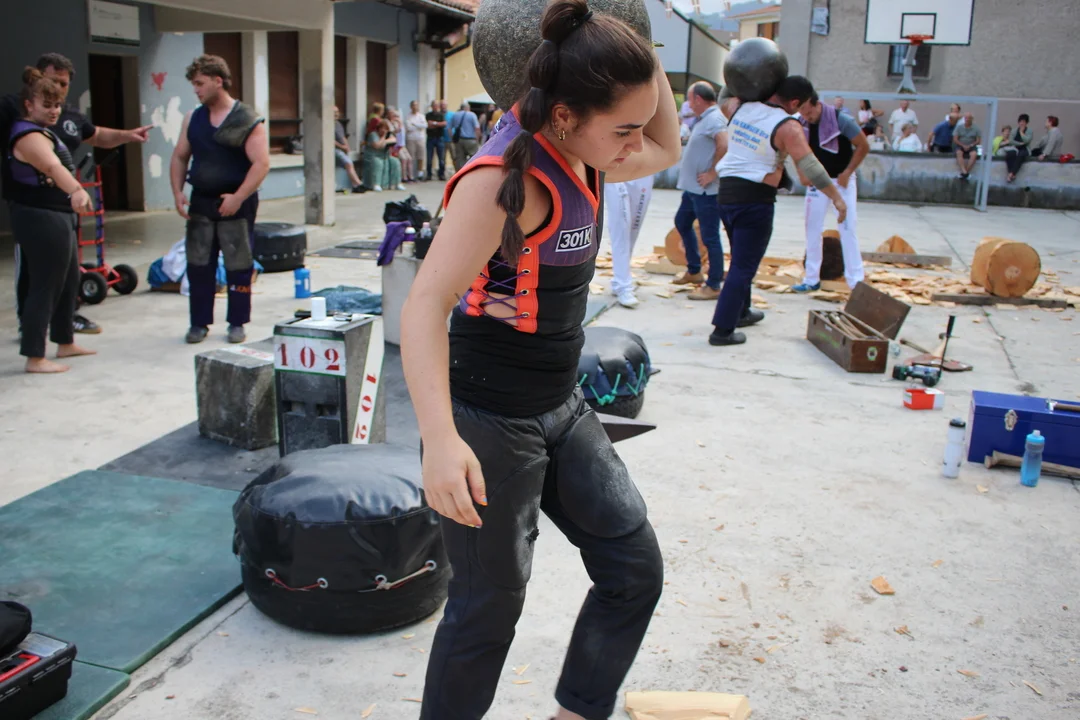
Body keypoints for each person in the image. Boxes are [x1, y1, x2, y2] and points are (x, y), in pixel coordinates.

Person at [399, 1, 681, 717]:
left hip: (561, 404)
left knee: (634, 571)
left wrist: (637, 38)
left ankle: (576, 710)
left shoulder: (593, 151)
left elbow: (668, 145)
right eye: (623, 130)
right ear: (562, 116)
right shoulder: (502, 181)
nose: (636, 147)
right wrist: (440, 441)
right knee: (487, 609)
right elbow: (423, 306)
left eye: (636, 127)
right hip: (487, 419)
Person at [1, 53, 151, 337]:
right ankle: (30, 329)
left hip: (62, 206)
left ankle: (66, 324)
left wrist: (128, 135)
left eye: (64, 85)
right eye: (53, 82)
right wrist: (76, 189)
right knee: (36, 273)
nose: (58, 92)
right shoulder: (15, 111)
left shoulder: (67, 115)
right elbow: (51, 165)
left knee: (66, 271)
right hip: (31, 205)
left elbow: (96, 135)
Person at [708, 75, 847, 347]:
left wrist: (747, 79)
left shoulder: (740, 107)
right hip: (754, 201)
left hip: (726, 195)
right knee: (743, 266)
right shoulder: (787, 126)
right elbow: (811, 167)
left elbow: (725, 92)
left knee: (740, 258)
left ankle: (742, 311)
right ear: (794, 102)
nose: (801, 113)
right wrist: (837, 199)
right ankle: (722, 330)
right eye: (801, 107)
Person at [170, 54, 269, 345]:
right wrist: (177, 192)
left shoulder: (247, 119)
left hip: (236, 202)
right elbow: (180, 156)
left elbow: (261, 163)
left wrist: (238, 197)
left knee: (239, 264)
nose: (196, 90)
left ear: (218, 80)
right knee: (199, 263)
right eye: (194, 84)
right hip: (202, 200)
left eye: (200, 83)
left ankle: (237, 322)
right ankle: (198, 323)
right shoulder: (193, 118)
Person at [8, 68, 97, 373]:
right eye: (47, 105)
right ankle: (34, 356)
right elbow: (51, 167)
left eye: (57, 105)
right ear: (28, 105)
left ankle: (65, 341)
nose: (54, 111)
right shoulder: (28, 135)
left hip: (57, 215)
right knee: (45, 284)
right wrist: (76, 190)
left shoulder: (43, 131)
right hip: (40, 217)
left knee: (68, 280)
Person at [791, 92, 869, 293]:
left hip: (842, 179)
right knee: (812, 227)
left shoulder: (841, 120)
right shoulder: (800, 124)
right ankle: (811, 278)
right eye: (802, 112)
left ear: (816, 103)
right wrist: (802, 174)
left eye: (808, 111)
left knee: (848, 227)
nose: (807, 116)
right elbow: (795, 150)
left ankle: (856, 281)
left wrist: (848, 172)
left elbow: (863, 145)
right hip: (818, 181)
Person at [673, 81, 727, 302]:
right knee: (682, 222)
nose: (688, 104)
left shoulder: (715, 118)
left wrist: (712, 173)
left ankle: (713, 284)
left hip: (706, 191)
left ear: (698, 99)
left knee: (710, 236)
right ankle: (694, 270)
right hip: (693, 189)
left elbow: (724, 144)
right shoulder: (704, 118)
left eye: (689, 99)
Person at [605, 176, 653, 308]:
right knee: (621, 226)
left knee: (633, 230)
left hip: (644, 172)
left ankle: (619, 278)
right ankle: (623, 286)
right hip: (616, 172)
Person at [362, 118, 403, 191]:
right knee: (378, 163)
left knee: (395, 162)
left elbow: (394, 140)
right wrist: (383, 137)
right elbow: (377, 145)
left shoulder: (388, 135)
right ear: (378, 128)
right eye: (382, 128)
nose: (383, 130)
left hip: (384, 156)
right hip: (372, 156)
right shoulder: (373, 135)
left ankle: (396, 183)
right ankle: (376, 184)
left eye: (385, 129)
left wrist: (385, 141)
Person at [332, 105, 364, 192]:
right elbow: (330, 141)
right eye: (334, 112)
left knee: (349, 163)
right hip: (334, 149)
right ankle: (358, 184)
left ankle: (355, 184)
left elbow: (343, 137)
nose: (336, 114)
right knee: (348, 163)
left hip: (342, 149)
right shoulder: (327, 125)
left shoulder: (338, 124)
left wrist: (347, 147)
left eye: (337, 112)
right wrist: (342, 146)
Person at [449, 101, 481, 171]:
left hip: (459, 140)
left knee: (460, 159)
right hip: (470, 140)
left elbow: (449, 128)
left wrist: (452, 138)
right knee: (474, 157)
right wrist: (477, 140)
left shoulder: (455, 115)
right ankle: (472, 172)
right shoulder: (472, 115)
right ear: (467, 108)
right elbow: (477, 128)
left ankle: (460, 173)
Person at [387, 107, 415, 182]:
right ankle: (404, 177)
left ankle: (410, 176)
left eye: (398, 116)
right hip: (396, 146)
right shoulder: (392, 123)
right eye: (395, 116)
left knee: (409, 159)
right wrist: (398, 124)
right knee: (403, 159)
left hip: (402, 145)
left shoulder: (401, 124)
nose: (397, 118)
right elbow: (395, 132)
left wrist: (400, 123)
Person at [1004, 114, 1033, 182]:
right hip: (1015, 147)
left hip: (1025, 148)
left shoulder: (1029, 131)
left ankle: (1011, 174)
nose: (1022, 123)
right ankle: (1011, 173)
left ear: (1026, 123)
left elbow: (1027, 140)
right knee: (1010, 154)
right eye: (1020, 122)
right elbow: (1011, 141)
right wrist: (1019, 144)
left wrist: (1021, 132)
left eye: (1023, 122)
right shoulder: (1014, 130)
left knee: (1021, 155)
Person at [953, 112, 982, 180]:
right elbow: (955, 139)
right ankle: (965, 172)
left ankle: (965, 173)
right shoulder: (959, 127)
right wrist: (963, 145)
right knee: (959, 153)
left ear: (972, 119)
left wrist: (971, 145)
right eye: (966, 118)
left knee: (974, 154)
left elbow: (978, 141)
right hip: (960, 145)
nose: (967, 119)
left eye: (969, 118)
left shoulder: (976, 128)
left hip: (972, 145)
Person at [425, 100, 447, 181]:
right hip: (430, 138)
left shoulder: (441, 115)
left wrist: (434, 123)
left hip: (439, 138)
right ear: (432, 106)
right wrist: (438, 124)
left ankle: (441, 174)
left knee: (441, 158)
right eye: (434, 105)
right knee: (429, 157)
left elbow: (444, 124)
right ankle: (429, 174)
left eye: (436, 105)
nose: (435, 107)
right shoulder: (428, 115)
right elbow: (427, 125)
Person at [406, 100, 428, 179]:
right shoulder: (408, 116)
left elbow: (425, 125)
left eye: (416, 105)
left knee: (421, 156)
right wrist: (419, 126)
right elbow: (409, 127)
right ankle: (411, 174)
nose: (415, 107)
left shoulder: (421, 116)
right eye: (413, 105)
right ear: (411, 107)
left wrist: (415, 124)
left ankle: (420, 174)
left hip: (420, 138)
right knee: (411, 156)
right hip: (411, 138)